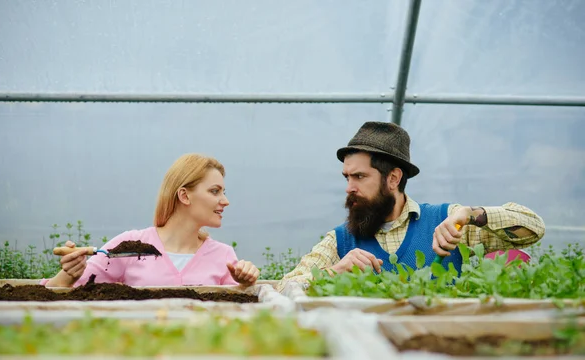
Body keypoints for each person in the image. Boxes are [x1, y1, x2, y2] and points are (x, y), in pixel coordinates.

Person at [278, 122, 545, 291]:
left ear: (393, 178)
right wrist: (333, 272)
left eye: (359, 177)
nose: (349, 187)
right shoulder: (341, 239)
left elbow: (534, 230)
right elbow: (282, 288)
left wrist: (470, 214)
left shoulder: (446, 222)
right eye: (347, 177)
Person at [44, 153, 259, 287]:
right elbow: (55, 291)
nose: (225, 201)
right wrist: (68, 274)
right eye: (215, 191)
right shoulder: (131, 246)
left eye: (223, 192)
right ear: (184, 196)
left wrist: (245, 284)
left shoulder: (224, 257)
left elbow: (239, 316)